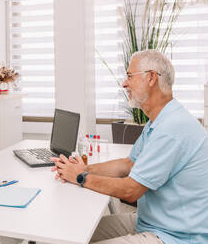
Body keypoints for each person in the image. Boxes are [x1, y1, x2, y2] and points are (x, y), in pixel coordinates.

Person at [51, 50, 208, 244]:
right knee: (72, 234)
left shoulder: (173, 128)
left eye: (129, 76)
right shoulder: (158, 122)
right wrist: (85, 168)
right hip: (151, 222)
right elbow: (129, 164)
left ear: (151, 78)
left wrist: (80, 177)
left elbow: (130, 190)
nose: (124, 83)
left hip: (174, 236)